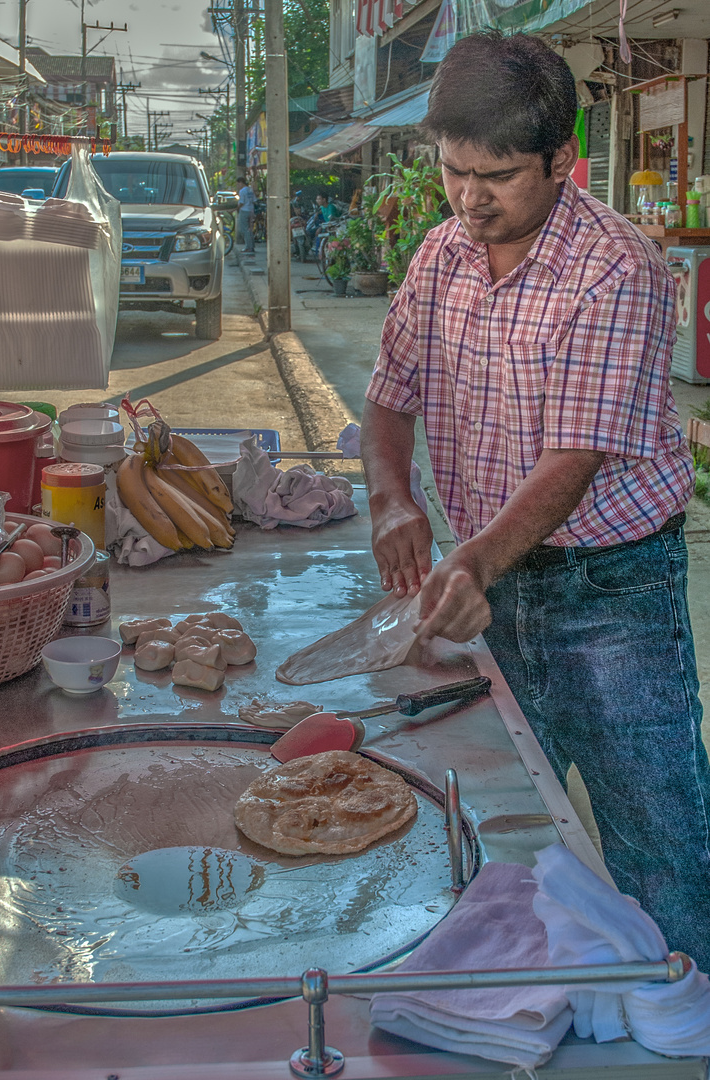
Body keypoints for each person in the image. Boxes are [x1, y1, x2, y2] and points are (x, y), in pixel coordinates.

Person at [361, 31, 710, 972]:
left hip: (610, 592)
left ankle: (683, 1017)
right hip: (489, 582)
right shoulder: (440, 255)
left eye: (499, 177)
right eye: (453, 173)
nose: (470, 200)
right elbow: (389, 397)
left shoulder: (616, 268)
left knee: (656, 834)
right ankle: (510, 1009)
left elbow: (573, 461)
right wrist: (393, 501)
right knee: (491, 820)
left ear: (562, 160)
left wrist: (473, 556)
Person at [236, 175, 255, 254]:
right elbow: (254, 200)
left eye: (238, 184)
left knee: (244, 229)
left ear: (241, 183)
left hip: (244, 210)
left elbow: (241, 202)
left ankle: (248, 247)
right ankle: (252, 246)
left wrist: (236, 208)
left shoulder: (242, 191)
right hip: (251, 210)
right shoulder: (250, 189)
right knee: (250, 229)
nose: (237, 186)